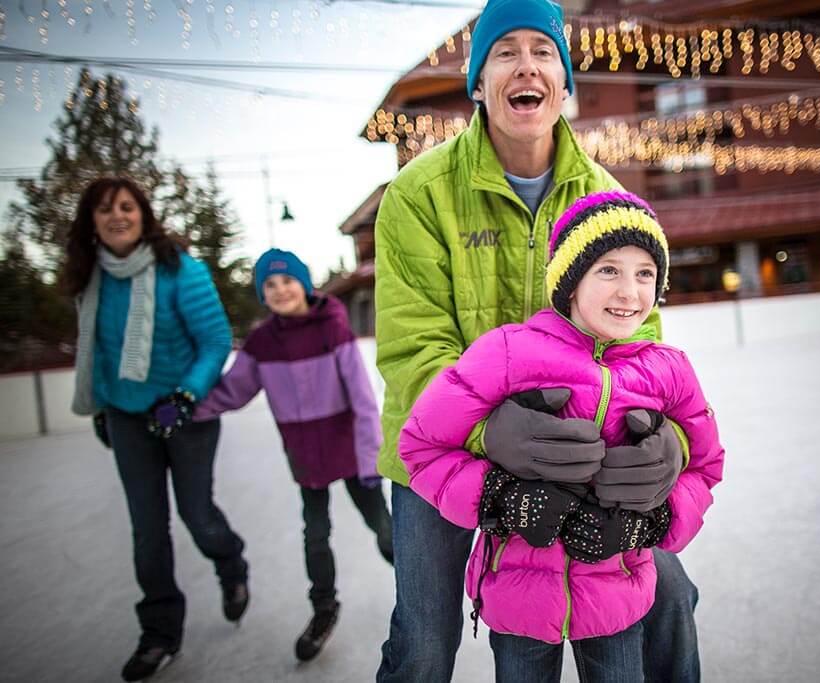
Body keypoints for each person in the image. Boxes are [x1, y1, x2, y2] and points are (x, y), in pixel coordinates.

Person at [373, 1, 703, 679]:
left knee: (668, 595)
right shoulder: (418, 195)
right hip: (440, 446)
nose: (526, 65)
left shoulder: (606, 196)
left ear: (564, 79)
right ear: (477, 82)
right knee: (424, 638)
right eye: (504, 52)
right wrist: (491, 431)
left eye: (543, 51)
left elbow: (642, 342)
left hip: (580, 450)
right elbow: (413, 347)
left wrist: (663, 441)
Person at [399, 192, 725, 680]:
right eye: (609, 270)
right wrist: (499, 497)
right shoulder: (509, 352)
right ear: (570, 281)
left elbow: (706, 465)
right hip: (518, 598)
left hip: (618, 591)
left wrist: (653, 522)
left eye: (645, 274)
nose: (630, 292)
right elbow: (421, 447)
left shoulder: (668, 368)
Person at [64, 177, 248, 682]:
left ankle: (230, 561)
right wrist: (104, 407)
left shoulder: (179, 270)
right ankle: (160, 632)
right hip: (126, 416)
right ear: (92, 221)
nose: (116, 216)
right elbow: (98, 350)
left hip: (184, 414)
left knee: (196, 513)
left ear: (143, 214)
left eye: (126, 207)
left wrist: (185, 396)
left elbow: (214, 342)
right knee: (148, 530)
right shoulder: (91, 277)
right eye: (104, 210)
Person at [194, 248, 393, 662]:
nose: (280, 289)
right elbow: (234, 390)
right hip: (305, 456)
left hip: (351, 451)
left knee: (385, 529)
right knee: (315, 535)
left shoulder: (332, 327)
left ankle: (422, 593)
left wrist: (371, 455)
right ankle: (324, 608)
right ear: (262, 294)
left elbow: (361, 396)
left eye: (287, 281)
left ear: (303, 284)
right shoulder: (263, 342)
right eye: (270, 284)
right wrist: (186, 408)